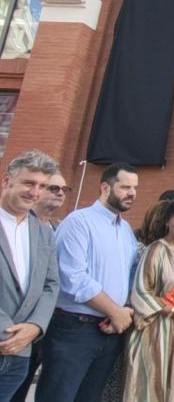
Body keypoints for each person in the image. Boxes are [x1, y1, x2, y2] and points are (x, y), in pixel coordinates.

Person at [36, 163, 140, 402]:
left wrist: (123, 313)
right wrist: (115, 311)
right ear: (105, 187)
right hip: (74, 330)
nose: (132, 193)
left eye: (135, 188)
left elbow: (129, 278)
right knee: (58, 396)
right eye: (125, 187)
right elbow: (72, 278)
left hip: (110, 330)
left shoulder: (125, 231)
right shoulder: (79, 222)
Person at [123, 198, 174, 401]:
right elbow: (141, 292)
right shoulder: (156, 250)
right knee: (152, 389)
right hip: (157, 333)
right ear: (167, 221)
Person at [0, 150, 59, 401]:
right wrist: (7, 331)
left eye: (42, 186)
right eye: (28, 183)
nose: (35, 192)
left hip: (20, 353)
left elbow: (51, 284)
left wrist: (35, 326)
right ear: (6, 181)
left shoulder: (43, 232)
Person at [9, 170, 66, 402]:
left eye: (64, 189)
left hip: (43, 328)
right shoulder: (16, 225)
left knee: (22, 390)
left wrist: (37, 324)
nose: (60, 193)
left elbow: (53, 281)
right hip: (12, 328)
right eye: (54, 188)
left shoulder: (56, 228)